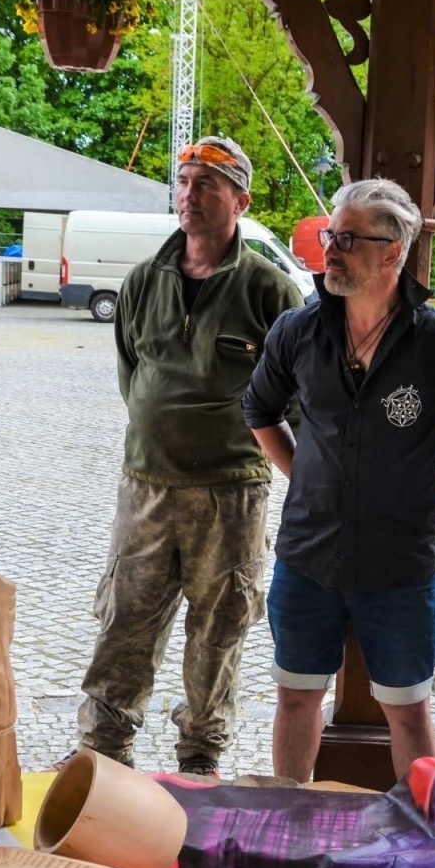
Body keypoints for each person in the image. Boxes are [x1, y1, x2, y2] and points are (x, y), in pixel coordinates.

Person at [243, 178, 435, 783]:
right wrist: (303, 477)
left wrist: (429, 495)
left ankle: (420, 840)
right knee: (295, 697)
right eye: (329, 235)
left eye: (347, 238)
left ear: (392, 252)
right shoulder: (299, 331)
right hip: (307, 556)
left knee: (409, 711)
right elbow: (257, 409)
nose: (330, 249)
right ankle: (291, 819)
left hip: (399, 567)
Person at [70, 135, 304, 776]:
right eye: (184, 182)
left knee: (218, 630)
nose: (191, 194)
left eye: (208, 183)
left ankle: (200, 757)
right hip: (145, 485)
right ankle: (103, 752)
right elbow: (131, 376)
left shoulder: (271, 292)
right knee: (125, 620)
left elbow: (300, 401)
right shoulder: (144, 281)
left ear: (240, 200)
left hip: (230, 493)